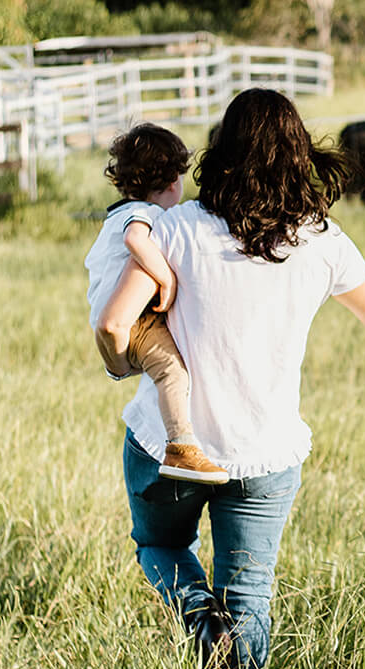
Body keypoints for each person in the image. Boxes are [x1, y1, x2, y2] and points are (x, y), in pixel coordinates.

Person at [95, 88, 365, 669]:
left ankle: (197, 617)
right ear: (298, 155)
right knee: (250, 598)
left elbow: (116, 320)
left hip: (170, 447)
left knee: (162, 547)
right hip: (264, 454)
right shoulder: (323, 241)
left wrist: (123, 362)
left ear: (222, 150)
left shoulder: (176, 227)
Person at [88, 122, 227, 484]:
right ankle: (181, 447)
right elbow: (136, 240)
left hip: (121, 316)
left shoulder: (119, 211)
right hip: (133, 319)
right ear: (172, 182)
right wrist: (165, 276)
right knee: (172, 372)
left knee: (168, 371)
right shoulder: (144, 215)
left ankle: (182, 444)